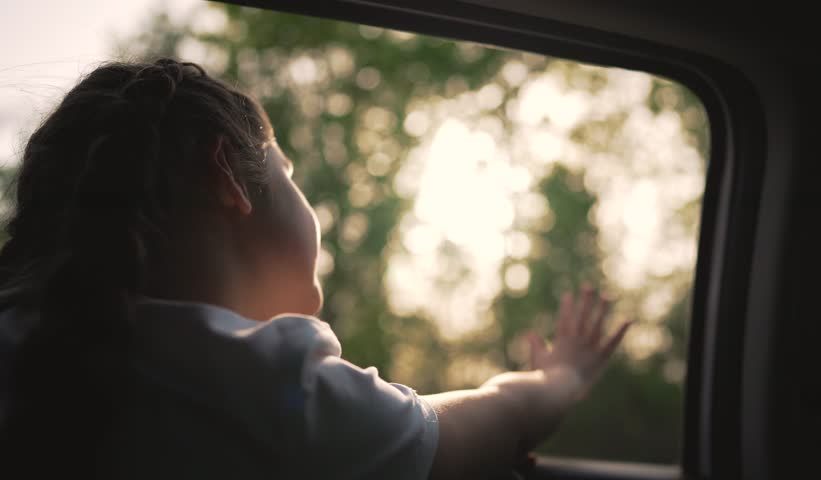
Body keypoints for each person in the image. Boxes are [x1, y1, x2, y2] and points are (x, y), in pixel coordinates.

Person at [0, 58, 632, 479]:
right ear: (229, 179)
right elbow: (496, 419)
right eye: (291, 177)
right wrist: (562, 379)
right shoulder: (270, 393)